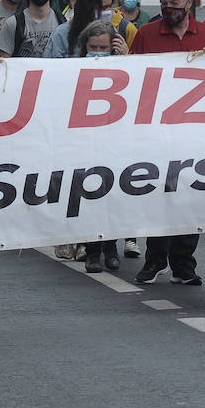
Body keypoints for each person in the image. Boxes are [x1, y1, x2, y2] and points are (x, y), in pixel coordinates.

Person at [131, 0, 205, 286]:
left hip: (196, 134)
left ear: (188, 4)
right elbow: (130, 78)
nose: (168, 9)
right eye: (164, 3)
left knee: (189, 199)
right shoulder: (146, 35)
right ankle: (155, 259)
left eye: (174, 4)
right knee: (158, 196)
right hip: (157, 132)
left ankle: (183, 263)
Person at [74, 19, 128, 273]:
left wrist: (127, 59)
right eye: (92, 47)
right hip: (86, 142)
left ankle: (111, 247)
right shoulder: (73, 69)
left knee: (114, 197)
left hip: (116, 142)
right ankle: (93, 252)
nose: (97, 52)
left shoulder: (126, 66)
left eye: (103, 47)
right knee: (91, 197)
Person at [46, 0, 123, 58]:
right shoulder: (61, 34)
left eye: (109, 7)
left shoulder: (113, 32)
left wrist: (125, 55)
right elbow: (52, 66)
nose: (108, 12)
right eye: (103, 8)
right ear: (87, 8)